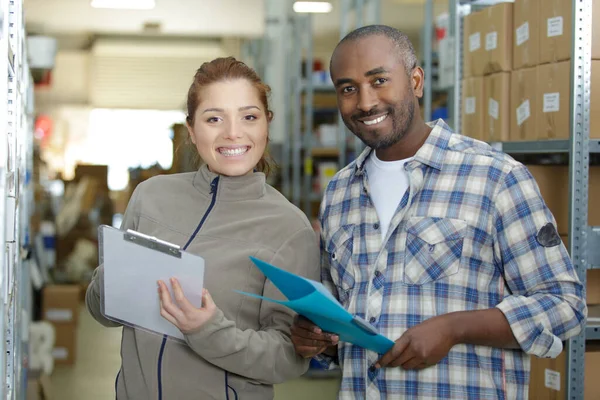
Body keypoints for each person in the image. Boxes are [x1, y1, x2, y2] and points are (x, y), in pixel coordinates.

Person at [290, 25, 587, 399]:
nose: (365, 102)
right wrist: (318, 335)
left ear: (415, 81)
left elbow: (565, 306)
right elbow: (343, 313)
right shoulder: (340, 193)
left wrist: (456, 328)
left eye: (379, 80)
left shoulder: (494, 176)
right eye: (348, 88)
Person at [86, 57, 320, 399]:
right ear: (192, 130)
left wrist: (208, 330)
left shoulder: (288, 227)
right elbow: (102, 312)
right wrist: (112, 278)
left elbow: (287, 357)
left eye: (249, 117)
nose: (233, 133)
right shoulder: (151, 196)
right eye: (214, 119)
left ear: (266, 125)